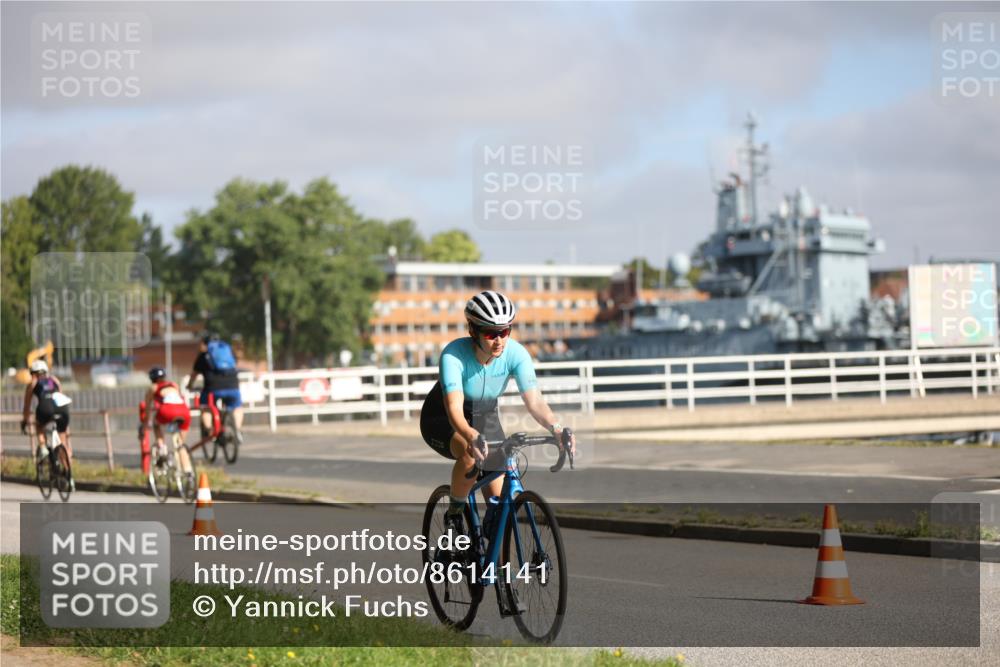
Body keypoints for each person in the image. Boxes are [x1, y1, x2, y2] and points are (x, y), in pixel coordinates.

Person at [420, 290, 576, 531]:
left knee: (499, 506)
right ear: (473, 330)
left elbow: (534, 401)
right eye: (491, 333)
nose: (499, 340)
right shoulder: (454, 355)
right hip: (444, 416)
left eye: (505, 332)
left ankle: (498, 566)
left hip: (485, 414)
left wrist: (556, 428)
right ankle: (455, 513)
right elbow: (454, 407)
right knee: (470, 455)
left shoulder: (516, 354)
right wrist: (471, 436)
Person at [20, 359, 74, 489]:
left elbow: (27, 406)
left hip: (45, 408)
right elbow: (59, 395)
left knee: (38, 424)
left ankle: (43, 447)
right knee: (63, 443)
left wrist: (25, 421)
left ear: (33, 373)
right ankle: (69, 478)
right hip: (62, 409)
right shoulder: (55, 380)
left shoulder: (33, 382)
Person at [187, 334, 243, 444]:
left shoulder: (204, 356)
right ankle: (238, 430)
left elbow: (194, 375)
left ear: (206, 344)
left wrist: (189, 386)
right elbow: (235, 364)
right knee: (237, 407)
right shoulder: (228, 352)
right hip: (232, 385)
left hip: (213, 388)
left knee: (205, 407)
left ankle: (209, 431)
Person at [143, 367, 193, 473]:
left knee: (156, 424)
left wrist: (145, 422)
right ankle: (188, 471)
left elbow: (147, 408)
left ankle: (161, 448)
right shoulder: (174, 385)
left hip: (167, 411)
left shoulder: (153, 387)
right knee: (180, 444)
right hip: (184, 411)